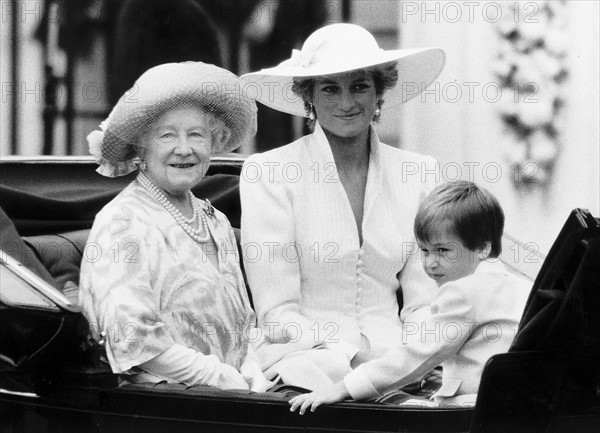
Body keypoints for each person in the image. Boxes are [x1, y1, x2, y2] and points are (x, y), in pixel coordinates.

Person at [239, 23, 446, 389]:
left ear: (379, 92)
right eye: (330, 88)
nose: (347, 103)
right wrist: (347, 359)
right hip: (304, 361)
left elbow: (423, 303)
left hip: (399, 366)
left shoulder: (419, 172)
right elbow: (277, 313)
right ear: (309, 97)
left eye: (360, 86)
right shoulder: (269, 173)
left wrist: (411, 358)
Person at [79, 62, 268, 392]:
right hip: (165, 405)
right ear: (141, 148)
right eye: (167, 135)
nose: (184, 149)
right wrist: (221, 378)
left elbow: (244, 325)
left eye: (196, 134)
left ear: (214, 141)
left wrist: (252, 369)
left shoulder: (216, 221)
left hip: (234, 400)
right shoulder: (122, 221)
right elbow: (133, 340)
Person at [289, 181, 531, 412]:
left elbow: (415, 356)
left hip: (468, 411)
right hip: (515, 405)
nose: (430, 264)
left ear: (482, 248)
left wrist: (343, 388)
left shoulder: (463, 292)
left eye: (443, 250)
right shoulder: (520, 286)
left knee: (381, 403)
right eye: (424, 251)